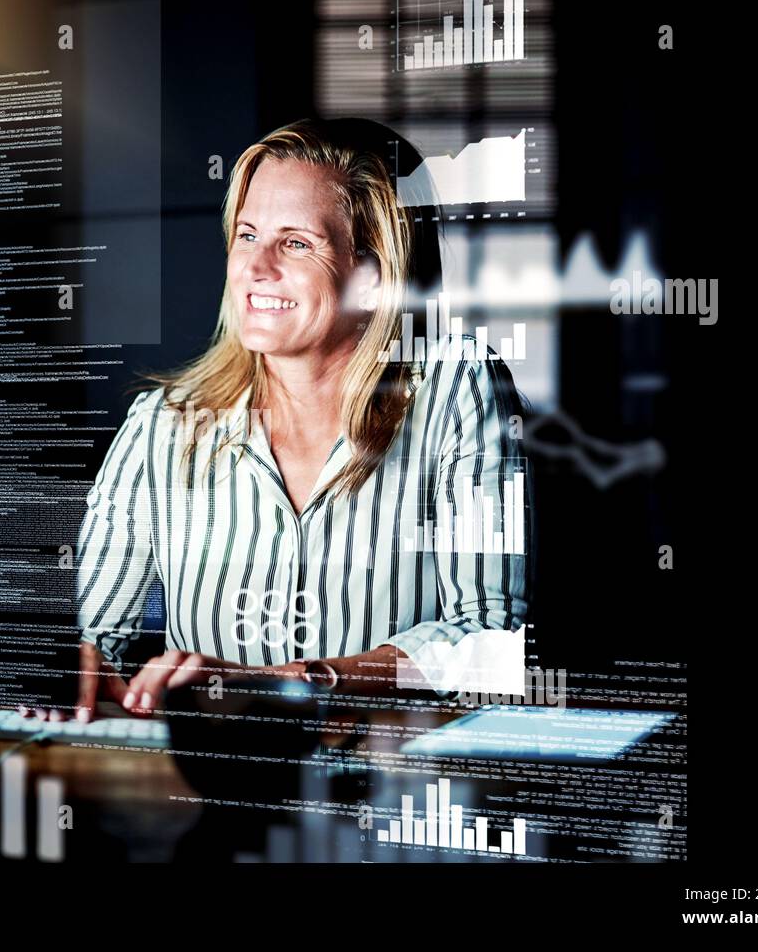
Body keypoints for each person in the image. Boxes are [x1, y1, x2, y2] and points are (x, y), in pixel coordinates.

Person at [40, 118, 529, 722]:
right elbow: (92, 637)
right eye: (247, 236)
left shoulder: (458, 390)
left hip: (389, 789)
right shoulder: (162, 424)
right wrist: (70, 670)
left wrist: (301, 681)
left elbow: (488, 638)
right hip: (206, 785)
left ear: (374, 275)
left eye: (295, 242)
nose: (255, 266)